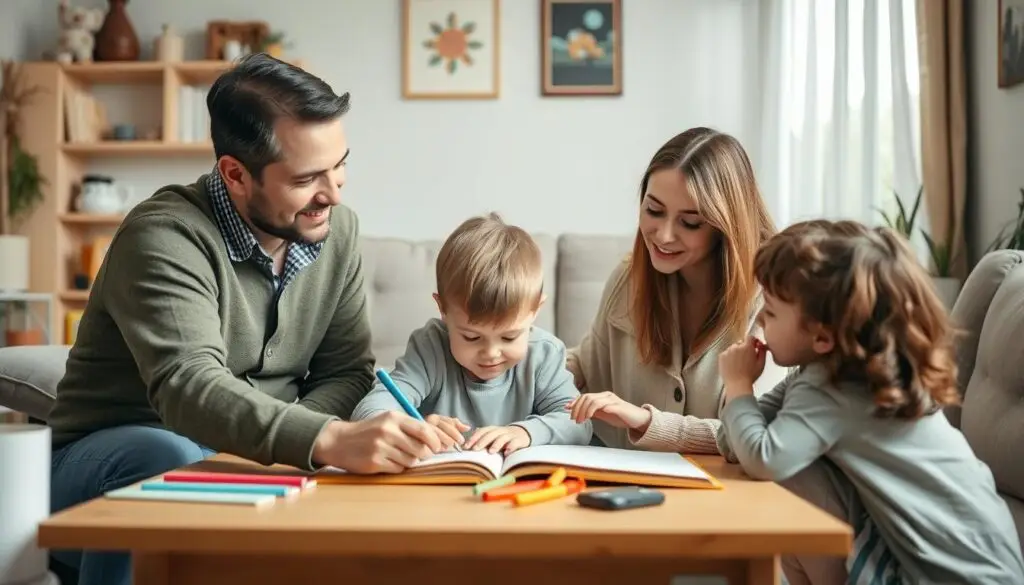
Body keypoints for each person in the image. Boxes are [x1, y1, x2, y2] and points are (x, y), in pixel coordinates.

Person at [46, 54, 455, 585]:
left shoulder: (337, 231)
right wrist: (324, 439)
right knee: (163, 453)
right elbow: (187, 386)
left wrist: (293, 446)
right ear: (235, 175)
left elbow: (346, 373)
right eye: (308, 177)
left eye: (340, 165)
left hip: (249, 464)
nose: (333, 192)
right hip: (106, 466)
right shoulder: (163, 237)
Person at [716, 220, 1024, 584]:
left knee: (794, 473)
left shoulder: (835, 385)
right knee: (802, 469)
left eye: (769, 313)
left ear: (823, 336)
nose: (759, 323)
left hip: (952, 575)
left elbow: (764, 458)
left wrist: (738, 385)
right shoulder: (837, 369)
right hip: (992, 564)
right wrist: (743, 397)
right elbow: (732, 443)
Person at [564, 127, 787, 452]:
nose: (664, 235)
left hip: (726, 495)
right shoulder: (628, 279)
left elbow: (754, 436)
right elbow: (587, 366)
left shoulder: (773, 301)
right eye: (653, 211)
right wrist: (511, 356)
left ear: (726, 225)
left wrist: (643, 421)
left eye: (690, 222)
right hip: (622, 484)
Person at [351, 213, 592, 454]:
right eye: (471, 337)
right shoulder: (431, 347)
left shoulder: (543, 354)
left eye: (509, 337)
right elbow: (370, 410)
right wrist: (414, 427)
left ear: (535, 310)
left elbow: (578, 424)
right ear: (442, 309)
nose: (491, 353)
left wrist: (526, 432)